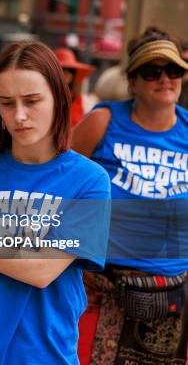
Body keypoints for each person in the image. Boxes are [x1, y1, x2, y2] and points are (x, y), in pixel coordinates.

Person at [0, 41, 110, 364]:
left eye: (32, 101)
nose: (20, 116)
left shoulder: (90, 181)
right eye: (6, 103)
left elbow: (42, 270)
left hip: (45, 355)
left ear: (59, 97)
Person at [73, 26, 188, 364]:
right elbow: (57, 183)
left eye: (174, 70)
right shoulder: (103, 122)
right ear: (132, 80)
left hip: (171, 295)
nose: (165, 78)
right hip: (100, 288)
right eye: (152, 71)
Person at [54, 48, 96, 126]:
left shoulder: (83, 102)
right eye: (62, 70)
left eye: (70, 71)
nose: (66, 75)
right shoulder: (46, 99)